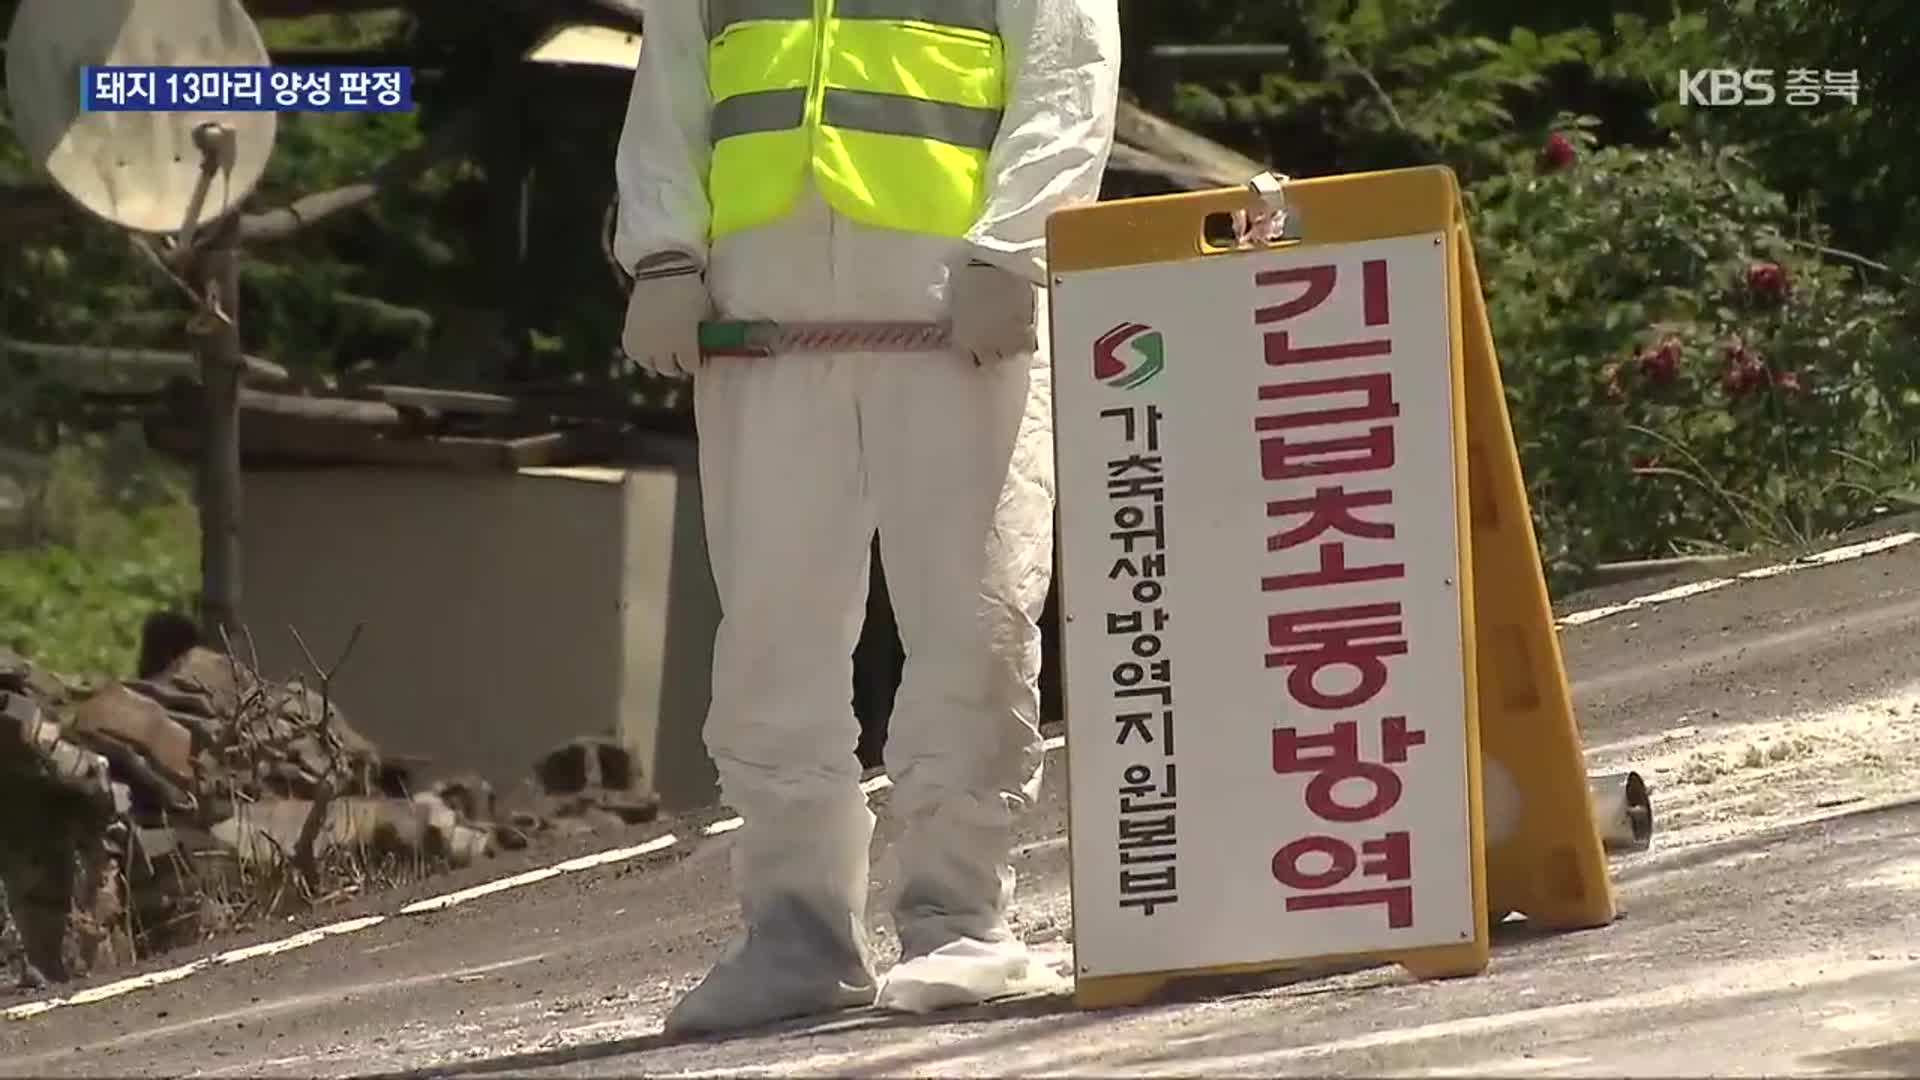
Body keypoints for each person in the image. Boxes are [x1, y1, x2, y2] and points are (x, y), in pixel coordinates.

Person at [613, 0, 1121, 1036]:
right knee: (770, 636)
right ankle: (794, 933)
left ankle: (960, 920)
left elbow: (1068, 75)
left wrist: (1014, 250)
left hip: (957, 315)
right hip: (763, 326)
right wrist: (663, 254)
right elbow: (668, 91)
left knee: (973, 620)